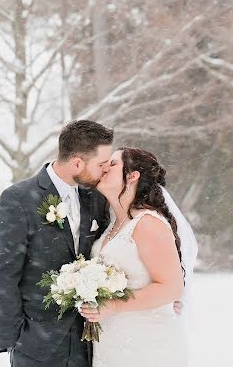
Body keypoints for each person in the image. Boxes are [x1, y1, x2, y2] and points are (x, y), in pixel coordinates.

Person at [0, 119, 114, 367]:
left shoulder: (97, 198)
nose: (105, 170)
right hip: (36, 344)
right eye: (101, 164)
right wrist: (15, 339)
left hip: (88, 343)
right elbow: (1, 273)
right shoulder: (19, 199)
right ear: (77, 162)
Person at [81, 147, 193, 367]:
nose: (105, 168)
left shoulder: (148, 223)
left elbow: (171, 288)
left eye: (113, 164)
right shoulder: (114, 225)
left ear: (132, 176)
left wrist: (112, 306)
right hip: (112, 343)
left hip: (147, 346)